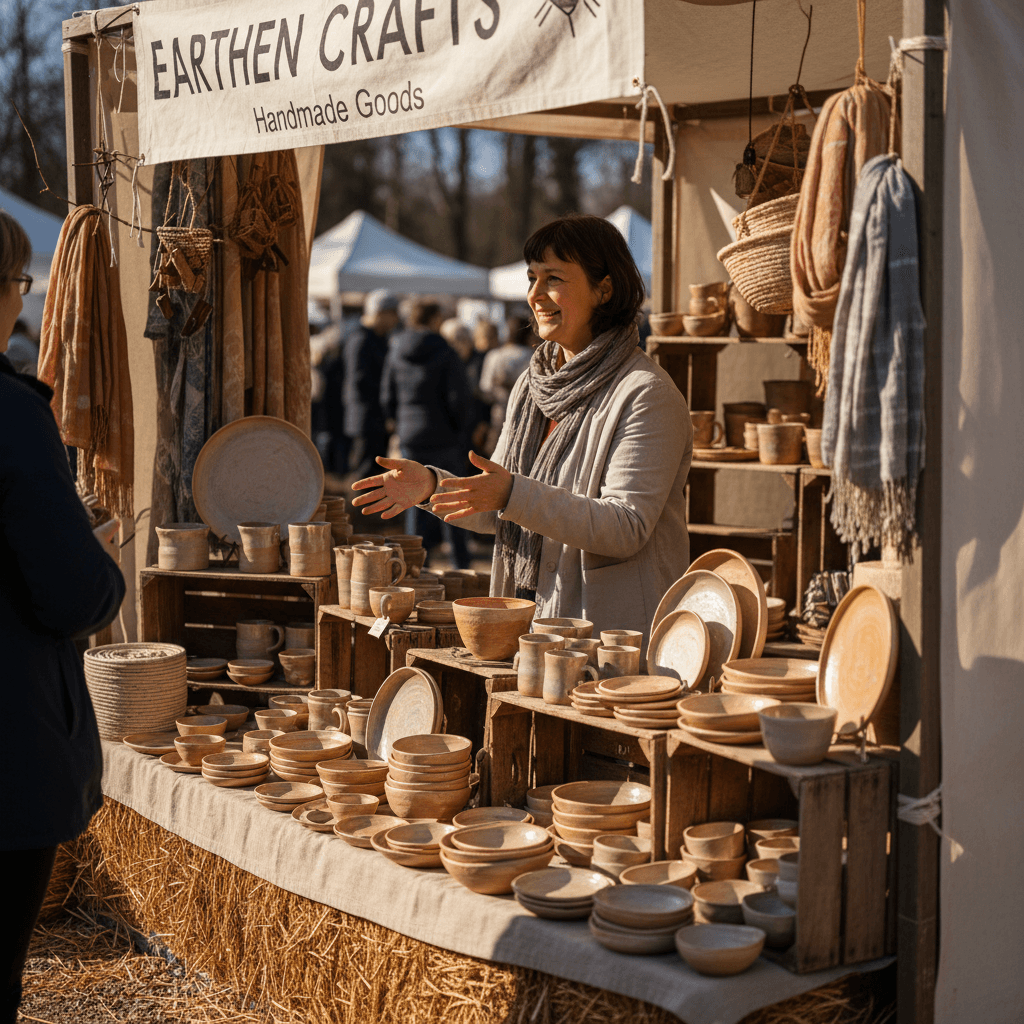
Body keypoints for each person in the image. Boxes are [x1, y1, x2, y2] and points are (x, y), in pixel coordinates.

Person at [353, 214, 693, 641]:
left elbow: (626, 527)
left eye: (554, 278)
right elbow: (499, 506)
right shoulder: (533, 385)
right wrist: (431, 486)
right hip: (525, 621)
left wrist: (513, 494)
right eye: (532, 277)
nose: (534, 295)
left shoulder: (646, 394)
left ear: (604, 289)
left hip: (612, 637)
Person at [0, 209, 125, 1023]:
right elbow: (75, 593)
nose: (20, 296)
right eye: (17, 283)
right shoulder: (11, 415)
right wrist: (98, 555)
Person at [380, 300, 473, 569]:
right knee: (451, 499)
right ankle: (461, 567)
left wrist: (397, 424)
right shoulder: (445, 350)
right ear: (434, 320)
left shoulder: (396, 349)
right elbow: (459, 398)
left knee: (413, 498)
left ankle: (414, 565)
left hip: (410, 435)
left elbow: (387, 395)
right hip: (443, 435)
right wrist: (460, 430)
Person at [343, 289, 400, 481]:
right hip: (366, 419)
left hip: (372, 418)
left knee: (373, 472)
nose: (395, 320)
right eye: (393, 314)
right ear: (381, 313)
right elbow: (360, 382)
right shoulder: (361, 340)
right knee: (364, 473)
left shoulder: (376, 339)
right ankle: (357, 510)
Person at [479, 314, 536, 448]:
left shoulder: (495, 356)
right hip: (528, 418)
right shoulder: (534, 357)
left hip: (499, 416)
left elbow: (486, 390)